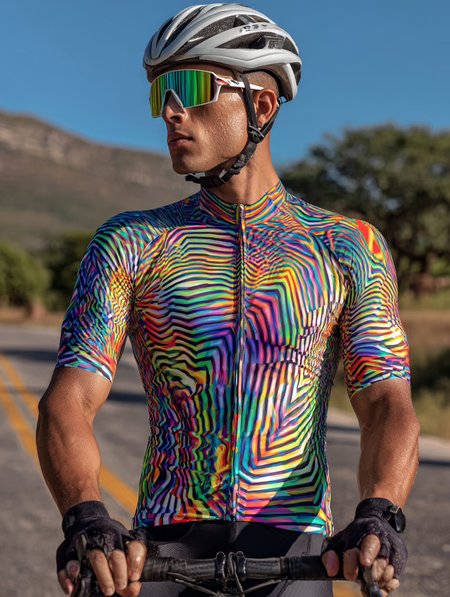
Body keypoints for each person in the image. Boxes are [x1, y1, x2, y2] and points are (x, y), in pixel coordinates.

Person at [36, 4, 420, 597]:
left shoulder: (348, 247)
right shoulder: (133, 242)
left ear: (260, 107)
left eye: (191, 88)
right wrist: (85, 516)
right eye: (161, 93)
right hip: (163, 551)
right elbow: (69, 399)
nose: (171, 110)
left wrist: (380, 512)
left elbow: (386, 404)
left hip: (295, 554)